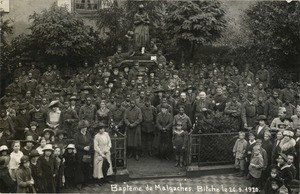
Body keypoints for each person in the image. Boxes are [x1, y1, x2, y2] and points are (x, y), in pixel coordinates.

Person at [74, 120, 93, 186]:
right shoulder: (77, 135)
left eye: (86, 127)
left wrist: (89, 146)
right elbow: (76, 144)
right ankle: (79, 182)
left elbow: (91, 141)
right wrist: (83, 148)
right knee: (80, 167)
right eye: (83, 127)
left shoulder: (88, 133)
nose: (85, 129)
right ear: (80, 128)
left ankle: (86, 181)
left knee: (87, 167)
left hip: (87, 153)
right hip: (80, 154)